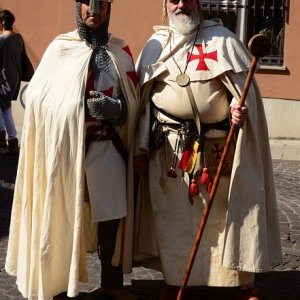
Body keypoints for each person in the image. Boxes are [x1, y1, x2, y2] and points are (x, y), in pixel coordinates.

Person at [134, 0, 282, 299]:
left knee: (230, 217)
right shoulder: (155, 45)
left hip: (218, 146)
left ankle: (241, 282)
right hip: (171, 149)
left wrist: (239, 109)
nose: (180, 5)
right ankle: (176, 280)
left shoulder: (224, 40)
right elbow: (144, 103)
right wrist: (139, 147)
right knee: (173, 218)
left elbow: (242, 92)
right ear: (166, 5)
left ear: (198, 3)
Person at [5, 1, 139, 299]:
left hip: (106, 147)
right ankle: (55, 283)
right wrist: (72, 107)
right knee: (60, 213)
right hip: (65, 151)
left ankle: (112, 283)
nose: (95, 10)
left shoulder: (120, 50)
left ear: (108, 9)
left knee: (112, 215)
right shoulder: (60, 48)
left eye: (102, 4)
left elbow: (134, 98)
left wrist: (116, 110)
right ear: (78, 8)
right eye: (88, 3)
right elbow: (35, 97)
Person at [0, 9, 33, 154]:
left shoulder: (3, 40)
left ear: (2, 22)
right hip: (14, 78)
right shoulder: (18, 38)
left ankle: (9, 139)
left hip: (3, 77)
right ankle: (7, 139)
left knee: (4, 109)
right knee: (4, 108)